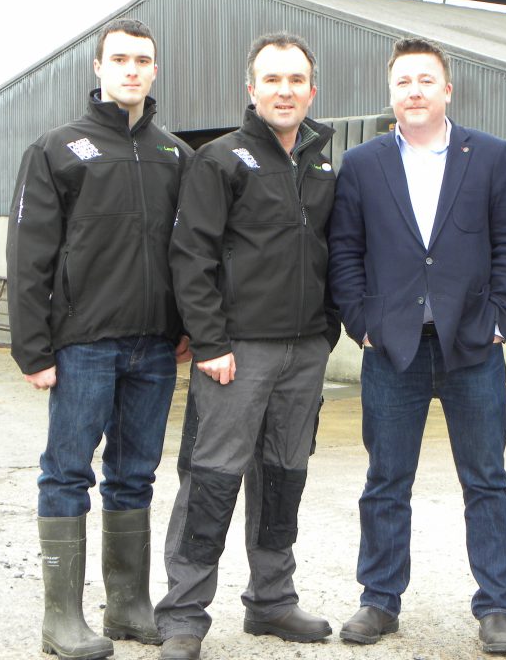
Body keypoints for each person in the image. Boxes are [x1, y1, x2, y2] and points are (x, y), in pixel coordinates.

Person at [329, 37, 506, 656]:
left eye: (425, 80)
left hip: (472, 345)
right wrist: (361, 322)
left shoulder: (490, 156)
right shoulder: (362, 164)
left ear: (448, 90)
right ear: (391, 93)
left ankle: (497, 606)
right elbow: (345, 251)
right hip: (392, 348)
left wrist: (500, 318)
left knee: (487, 479)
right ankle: (379, 600)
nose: (414, 91)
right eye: (403, 82)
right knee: (387, 478)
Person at [7, 18, 192, 660]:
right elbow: (30, 253)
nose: (132, 70)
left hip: (154, 345)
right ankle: (61, 619)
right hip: (83, 341)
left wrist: (188, 325)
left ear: (155, 70)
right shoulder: (59, 148)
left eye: (143, 59)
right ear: (99, 68)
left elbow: (190, 251)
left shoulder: (174, 154)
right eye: (120, 59)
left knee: (134, 474)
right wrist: (33, 347)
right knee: (65, 473)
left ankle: (128, 606)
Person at [154, 33, 340, 660]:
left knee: (284, 477)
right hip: (236, 352)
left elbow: (333, 251)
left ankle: (272, 602)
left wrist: (327, 331)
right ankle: (182, 615)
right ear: (252, 88)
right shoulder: (222, 159)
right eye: (272, 79)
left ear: (312, 90)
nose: (284, 90)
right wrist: (208, 339)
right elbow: (191, 254)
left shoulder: (320, 162)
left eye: (296, 80)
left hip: (305, 350)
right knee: (212, 479)